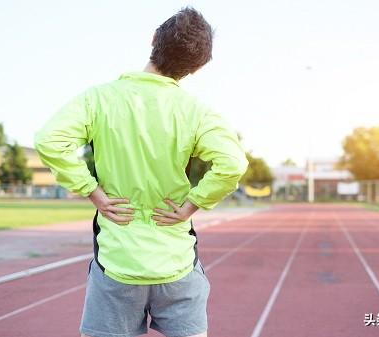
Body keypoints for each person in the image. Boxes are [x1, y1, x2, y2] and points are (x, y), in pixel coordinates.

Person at [34, 7, 248, 337]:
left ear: (153, 39)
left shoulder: (99, 98)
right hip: (176, 263)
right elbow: (233, 164)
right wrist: (193, 204)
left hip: (118, 263)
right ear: (196, 68)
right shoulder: (197, 112)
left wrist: (93, 191)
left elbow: (49, 140)